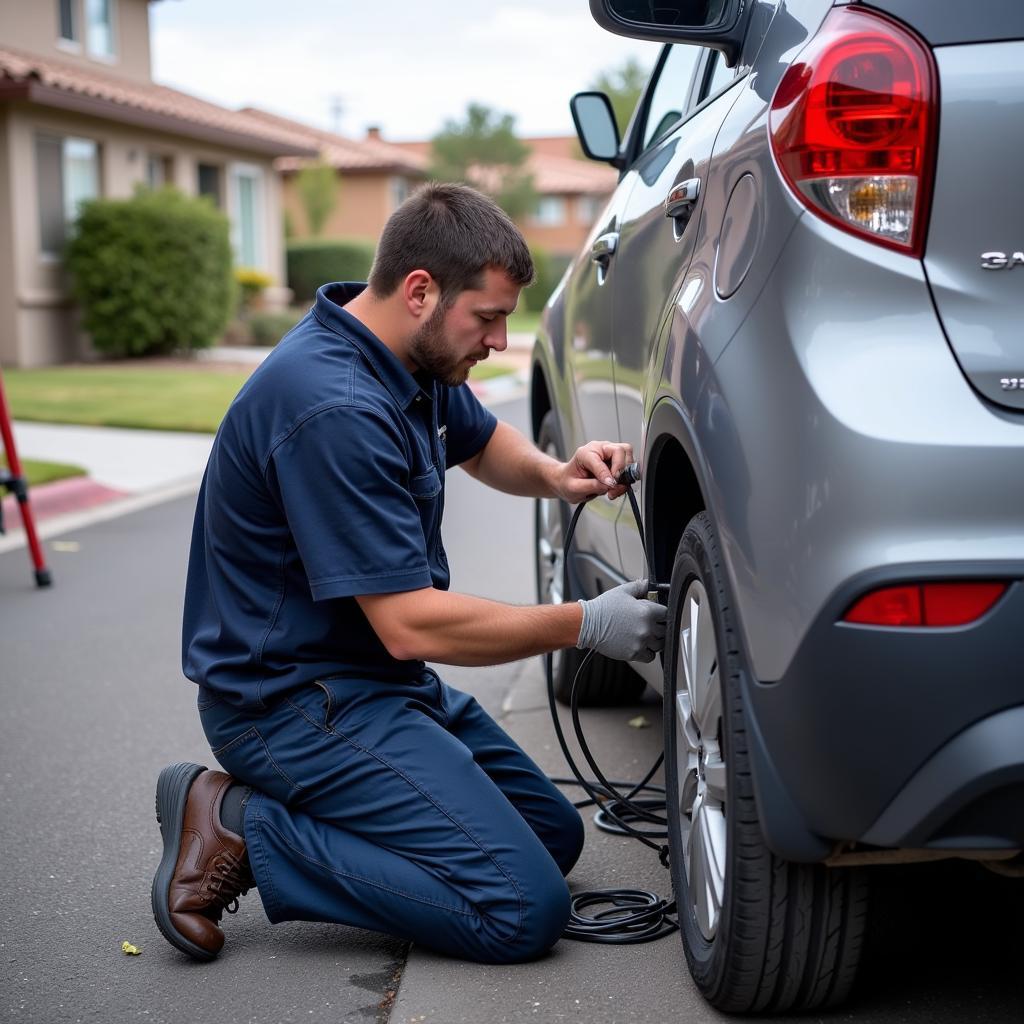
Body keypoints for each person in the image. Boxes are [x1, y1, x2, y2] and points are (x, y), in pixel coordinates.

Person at [152, 183, 667, 965]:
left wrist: (558, 475)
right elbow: (410, 624)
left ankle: (357, 820)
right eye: (487, 318)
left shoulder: (405, 353)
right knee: (521, 909)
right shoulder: (335, 408)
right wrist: (586, 624)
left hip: (373, 689)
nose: (499, 340)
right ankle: (248, 827)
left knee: (549, 836)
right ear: (421, 290)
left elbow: (482, 441)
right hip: (290, 707)